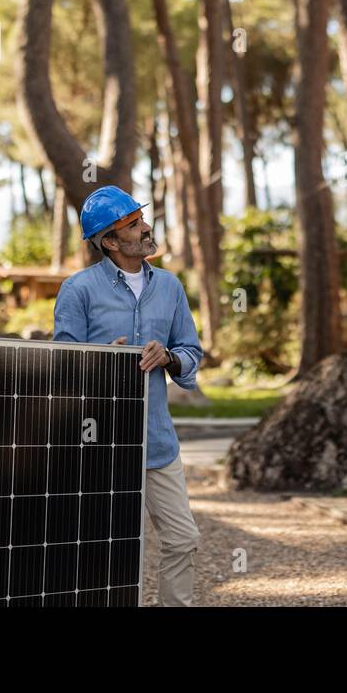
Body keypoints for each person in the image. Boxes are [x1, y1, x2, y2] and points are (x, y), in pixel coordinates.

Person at [52, 185, 204, 606]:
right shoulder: (77, 290)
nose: (146, 228)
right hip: (100, 445)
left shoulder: (170, 288)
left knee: (183, 538)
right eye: (133, 225)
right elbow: (60, 369)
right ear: (110, 241)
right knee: (112, 554)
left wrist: (170, 357)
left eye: (141, 220)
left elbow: (192, 354)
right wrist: (103, 362)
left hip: (157, 442)